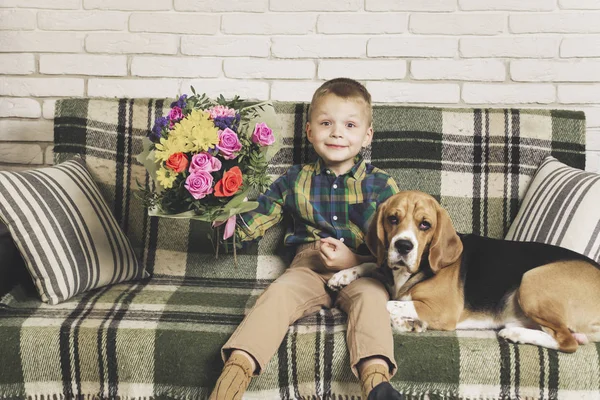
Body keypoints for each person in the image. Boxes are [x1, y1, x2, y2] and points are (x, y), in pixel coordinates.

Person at [209, 78, 401, 400]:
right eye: (326, 123)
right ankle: (230, 383)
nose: (337, 132)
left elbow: (395, 248)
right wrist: (222, 218)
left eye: (350, 124)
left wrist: (354, 261)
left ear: (367, 135)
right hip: (307, 268)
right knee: (277, 295)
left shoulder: (382, 185)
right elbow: (257, 216)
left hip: (362, 269)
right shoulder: (294, 179)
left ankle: (377, 385)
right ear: (310, 131)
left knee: (372, 301)